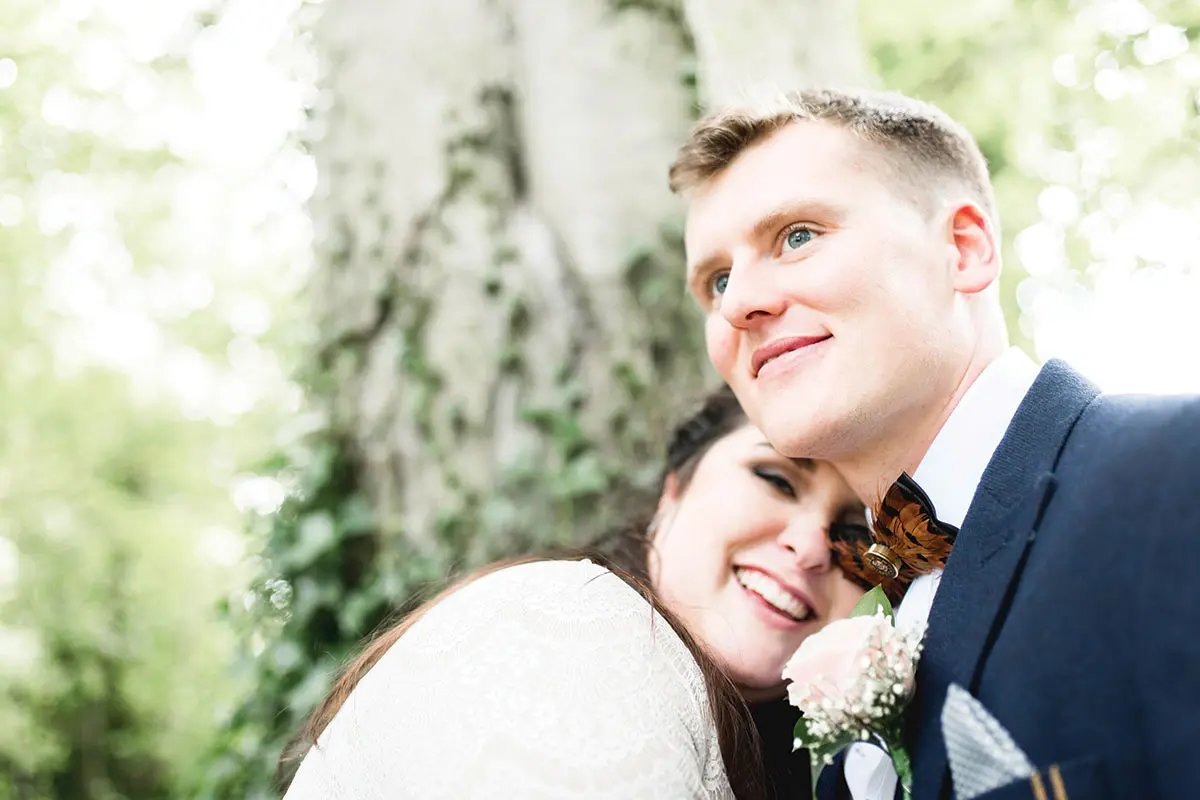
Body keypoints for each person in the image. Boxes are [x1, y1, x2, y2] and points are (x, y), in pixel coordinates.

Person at [669, 87, 1200, 799]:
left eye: (797, 236)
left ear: (963, 248)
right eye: (717, 280)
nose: (738, 304)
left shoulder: (1174, 478)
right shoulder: (853, 645)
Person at [279, 385, 873, 799]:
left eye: (855, 533)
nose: (813, 545)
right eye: (775, 479)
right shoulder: (565, 633)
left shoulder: (823, 767)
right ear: (673, 493)